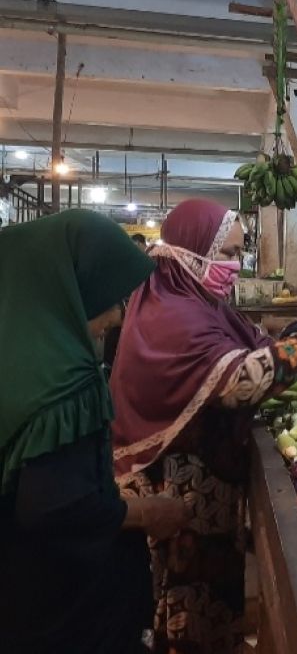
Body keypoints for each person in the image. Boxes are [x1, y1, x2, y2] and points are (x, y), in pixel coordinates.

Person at [109, 199, 297, 653]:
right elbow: (243, 381)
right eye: (226, 253)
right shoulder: (172, 316)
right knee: (184, 616)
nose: (234, 265)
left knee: (213, 607)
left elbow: (264, 349)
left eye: (238, 253)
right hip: (172, 497)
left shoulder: (202, 305)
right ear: (189, 251)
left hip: (204, 493)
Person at [0, 210, 191, 653]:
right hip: (63, 606)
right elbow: (53, 509)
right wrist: (146, 512)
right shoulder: (65, 383)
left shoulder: (15, 354)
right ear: (70, 291)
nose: (117, 316)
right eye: (107, 299)